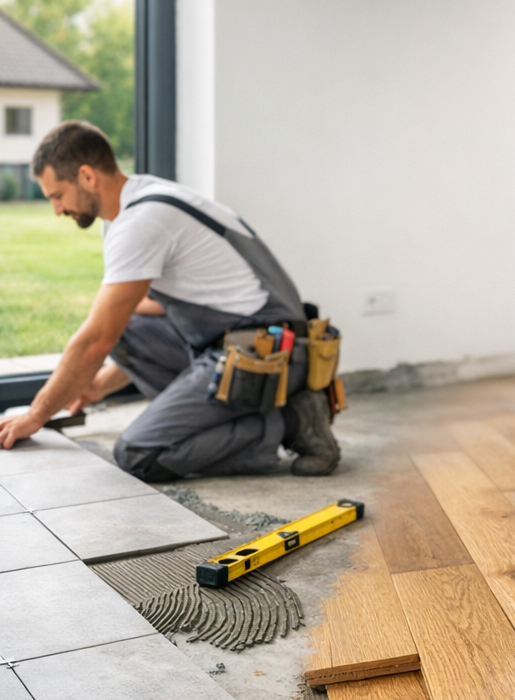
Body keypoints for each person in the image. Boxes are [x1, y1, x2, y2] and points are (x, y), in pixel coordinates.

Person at [0, 120, 340, 479]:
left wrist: (36, 414)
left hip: (271, 354)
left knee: (139, 453)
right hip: (241, 346)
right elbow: (153, 312)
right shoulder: (139, 200)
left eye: (57, 195)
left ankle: (291, 421)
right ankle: (234, 414)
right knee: (126, 324)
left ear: (86, 176)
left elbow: (97, 338)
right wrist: (97, 385)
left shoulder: (140, 222)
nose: (56, 209)